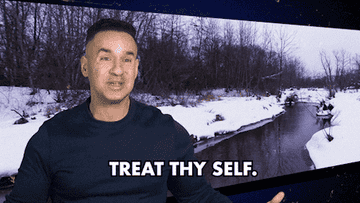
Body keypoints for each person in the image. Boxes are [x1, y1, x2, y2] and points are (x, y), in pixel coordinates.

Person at [4, 19, 284, 203]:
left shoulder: (166, 131)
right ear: (85, 66)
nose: (117, 69)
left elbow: (198, 196)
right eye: (105, 58)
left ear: (137, 68)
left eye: (127, 59)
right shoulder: (50, 138)